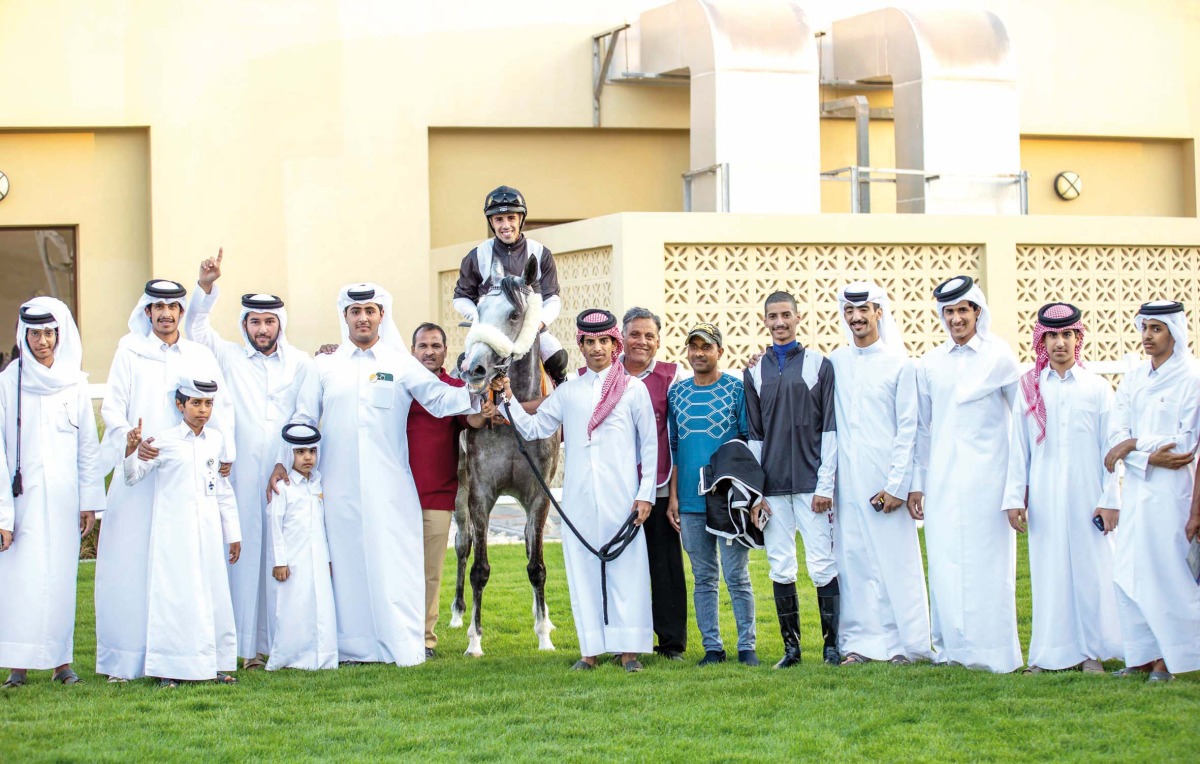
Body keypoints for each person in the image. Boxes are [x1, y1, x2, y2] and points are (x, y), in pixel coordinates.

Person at [275, 283, 478, 667]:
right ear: (345, 317)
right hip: (337, 485)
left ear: (382, 315)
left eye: (370, 310)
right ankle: (350, 646)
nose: (363, 318)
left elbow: (438, 398)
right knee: (345, 562)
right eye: (355, 312)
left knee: (392, 562)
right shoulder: (325, 366)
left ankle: (396, 642)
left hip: (390, 486)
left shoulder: (401, 364)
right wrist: (284, 460)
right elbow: (303, 418)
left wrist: (478, 392)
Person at [500, 309, 657, 672]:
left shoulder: (633, 390)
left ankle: (628, 651)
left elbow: (650, 446)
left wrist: (646, 493)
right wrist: (507, 399)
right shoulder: (568, 391)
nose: (597, 348)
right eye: (590, 342)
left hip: (624, 497)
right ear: (581, 346)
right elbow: (537, 427)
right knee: (583, 569)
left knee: (626, 569)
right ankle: (590, 651)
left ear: (614, 344)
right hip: (579, 500)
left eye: (604, 341)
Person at [95, 279, 234, 682]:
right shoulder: (130, 351)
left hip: (186, 475)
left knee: (187, 568)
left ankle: (191, 655)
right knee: (131, 563)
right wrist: (131, 443)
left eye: (174, 306)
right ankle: (129, 661)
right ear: (147, 312)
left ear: (180, 311)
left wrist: (225, 452)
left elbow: (219, 404)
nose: (167, 313)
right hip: (139, 471)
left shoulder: (198, 353)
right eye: (159, 307)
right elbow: (112, 407)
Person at [181, 248, 312, 670]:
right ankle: (240, 647)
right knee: (243, 556)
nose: (262, 328)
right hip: (237, 476)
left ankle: (280, 643)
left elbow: (304, 414)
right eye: (254, 321)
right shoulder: (228, 356)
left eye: (269, 320)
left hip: (282, 474)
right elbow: (197, 326)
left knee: (281, 555)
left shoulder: (301, 363)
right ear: (244, 325)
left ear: (280, 324)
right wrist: (206, 286)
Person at [909, 276, 1022, 673]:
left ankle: (993, 654)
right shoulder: (931, 362)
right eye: (950, 312)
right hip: (941, 481)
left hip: (989, 482)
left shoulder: (1001, 356)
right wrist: (917, 485)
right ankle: (951, 650)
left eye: (963, 310)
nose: (956, 319)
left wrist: (1016, 490)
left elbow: (1021, 424)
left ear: (977, 311)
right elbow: (923, 429)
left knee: (989, 567)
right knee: (944, 563)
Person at [1003, 303, 1123, 674]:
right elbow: (1018, 446)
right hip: (1045, 495)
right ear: (1042, 340)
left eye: (1066, 335)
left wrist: (1111, 500)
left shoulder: (1098, 388)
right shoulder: (1030, 387)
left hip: (1089, 495)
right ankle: (1046, 655)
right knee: (1048, 572)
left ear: (1077, 337)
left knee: (1090, 573)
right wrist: (1013, 498)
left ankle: (1090, 654)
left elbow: (1112, 448)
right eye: (1052, 336)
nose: (1059, 343)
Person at [0, 298, 105, 688]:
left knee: (60, 580)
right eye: (34, 333)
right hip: (21, 500)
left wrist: (89, 502)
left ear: (59, 334)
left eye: (48, 332)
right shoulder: (8, 383)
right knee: (19, 581)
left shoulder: (73, 383)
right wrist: (2, 517)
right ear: (23, 335)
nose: (42, 340)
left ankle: (62, 664)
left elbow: (87, 447)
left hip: (64, 500)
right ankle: (18, 667)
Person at [829, 282, 932, 666]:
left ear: (879, 313)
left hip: (887, 483)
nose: (856, 318)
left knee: (895, 562)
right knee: (852, 562)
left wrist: (898, 486)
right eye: (850, 311)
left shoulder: (901, 364)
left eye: (864, 310)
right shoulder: (835, 362)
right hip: (847, 482)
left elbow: (910, 428)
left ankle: (905, 645)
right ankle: (859, 644)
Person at [123, 377, 242, 688]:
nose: (203, 410)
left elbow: (222, 489)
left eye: (208, 404)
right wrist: (131, 450)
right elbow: (133, 477)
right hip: (173, 536)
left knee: (212, 597)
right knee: (175, 598)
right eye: (195, 403)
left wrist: (233, 533)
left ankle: (213, 664)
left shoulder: (215, 441)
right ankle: (168, 669)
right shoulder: (162, 440)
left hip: (208, 532)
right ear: (180, 405)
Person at [1105, 300, 1200, 682]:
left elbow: (1184, 444)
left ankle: (1172, 659)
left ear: (1174, 332)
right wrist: (1140, 454)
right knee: (1128, 572)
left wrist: (1131, 448)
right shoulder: (1134, 379)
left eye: (1157, 329)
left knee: (1167, 576)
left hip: (1173, 495)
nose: (1147, 336)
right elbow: (1115, 435)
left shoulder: (1191, 378)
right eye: (1144, 328)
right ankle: (1140, 656)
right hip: (1138, 495)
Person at [745, 291, 839, 667]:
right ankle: (792, 650)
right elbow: (755, 435)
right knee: (781, 566)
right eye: (773, 316)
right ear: (765, 321)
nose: (780, 322)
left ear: (798, 318)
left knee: (821, 565)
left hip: (811, 485)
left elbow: (830, 428)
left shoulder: (819, 365)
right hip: (772, 489)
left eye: (786, 315)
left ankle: (832, 647)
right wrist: (755, 494)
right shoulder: (753, 371)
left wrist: (825, 485)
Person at [666, 322, 757, 666]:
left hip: (728, 500)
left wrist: (748, 496)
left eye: (707, 347)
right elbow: (674, 447)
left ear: (720, 351)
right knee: (703, 577)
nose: (699, 353)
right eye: (694, 347)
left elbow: (748, 442)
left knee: (736, 575)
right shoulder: (677, 393)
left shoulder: (736, 390)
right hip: (689, 501)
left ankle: (747, 646)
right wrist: (674, 498)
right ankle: (713, 649)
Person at [406, 322, 489, 658]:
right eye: (422, 345)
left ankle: (424, 639)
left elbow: (473, 420)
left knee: (429, 572)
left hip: (436, 495)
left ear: (445, 351)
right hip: (392, 493)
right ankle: (390, 632)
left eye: (436, 345)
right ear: (412, 350)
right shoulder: (400, 384)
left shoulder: (455, 387)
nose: (429, 351)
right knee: (392, 567)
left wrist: (484, 402)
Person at [618, 307, 688, 660]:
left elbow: (676, 439)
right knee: (618, 565)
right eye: (635, 334)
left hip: (657, 485)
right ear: (622, 337)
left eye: (649, 336)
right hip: (615, 486)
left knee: (665, 566)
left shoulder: (671, 378)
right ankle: (620, 639)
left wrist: (674, 495)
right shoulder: (601, 374)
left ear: (658, 342)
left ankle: (672, 643)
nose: (641, 341)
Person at [452, 185, 569, 386]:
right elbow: (461, 297)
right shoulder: (477, 255)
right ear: (491, 222)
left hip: (530, 332)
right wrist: (477, 318)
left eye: (511, 218)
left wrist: (537, 324)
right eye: (498, 219)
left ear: (520, 220)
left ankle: (563, 396)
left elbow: (552, 298)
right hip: (491, 332)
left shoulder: (541, 253)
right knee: (462, 367)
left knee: (557, 357)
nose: (505, 225)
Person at [264, 423, 337, 671]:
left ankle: (322, 657)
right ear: (289, 454)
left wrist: (327, 559)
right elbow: (274, 525)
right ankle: (288, 658)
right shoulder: (283, 488)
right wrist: (279, 561)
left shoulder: (317, 484)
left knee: (320, 607)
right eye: (300, 452)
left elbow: (323, 526)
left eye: (312, 452)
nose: (307, 457)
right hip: (292, 559)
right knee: (292, 607)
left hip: (316, 558)